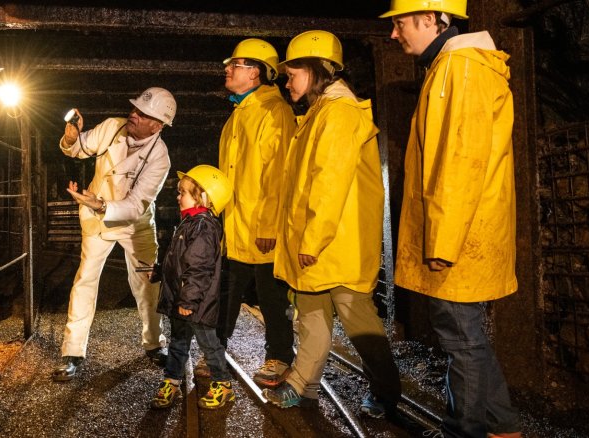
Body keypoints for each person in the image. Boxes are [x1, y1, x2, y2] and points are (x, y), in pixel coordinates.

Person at [380, 1, 522, 437]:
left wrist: (442, 241)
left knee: (461, 339)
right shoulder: (452, 66)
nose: (393, 34)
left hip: (458, 234)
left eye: (399, 23)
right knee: (466, 335)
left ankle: (464, 430)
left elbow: (459, 161)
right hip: (462, 229)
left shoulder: (460, 68)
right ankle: (503, 426)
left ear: (431, 18)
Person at [262, 30, 402, 418]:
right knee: (311, 315)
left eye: (293, 74)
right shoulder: (320, 113)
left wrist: (313, 239)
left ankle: (386, 392)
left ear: (316, 70)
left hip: (336, 240)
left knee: (358, 323)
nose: (287, 82)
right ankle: (302, 385)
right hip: (316, 239)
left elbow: (329, 180)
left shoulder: (339, 113)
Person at [52, 87, 176, 381]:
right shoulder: (112, 127)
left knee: (147, 285)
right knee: (85, 280)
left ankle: (154, 343)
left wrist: (100, 204)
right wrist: (70, 139)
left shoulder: (160, 158)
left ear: (157, 126)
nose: (134, 114)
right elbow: (79, 148)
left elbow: (135, 205)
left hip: (135, 226)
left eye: (143, 114)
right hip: (96, 220)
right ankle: (72, 352)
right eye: (135, 108)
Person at [213, 38, 297, 388]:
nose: (228, 68)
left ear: (257, 72)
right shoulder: (239, 114)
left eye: (236, 64)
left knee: (271, 296)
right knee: (226, 292)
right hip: (236, 224)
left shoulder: (274, 112)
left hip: (262, 226)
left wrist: (268, 225)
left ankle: (279, 357)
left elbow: (278, 174)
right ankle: (214, 352)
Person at [149, 165, 236, 410]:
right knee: (178, 342)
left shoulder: (203, 227)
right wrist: (160, 272)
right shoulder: (189, 223)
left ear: (203, 198)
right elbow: (179, 261)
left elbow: (199, 268)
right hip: (183, 299)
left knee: (209, 344)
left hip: (195, 303)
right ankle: (172, 381)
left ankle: (223, 385)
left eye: (183, 192)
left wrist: (188, 301)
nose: (178, 197)